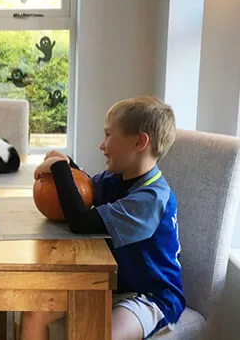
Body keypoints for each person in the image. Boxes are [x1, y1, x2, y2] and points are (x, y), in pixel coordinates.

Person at [20, 96, 185, 340]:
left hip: (149, 294)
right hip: (108, 283)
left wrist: (60, 169)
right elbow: (83, 191)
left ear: (140, 142)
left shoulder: (151, 198)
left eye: (109, 135)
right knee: (35, 311)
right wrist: (67, 164)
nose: (102, 144)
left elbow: (81, 221)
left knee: (99, 333)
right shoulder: (116, 178)